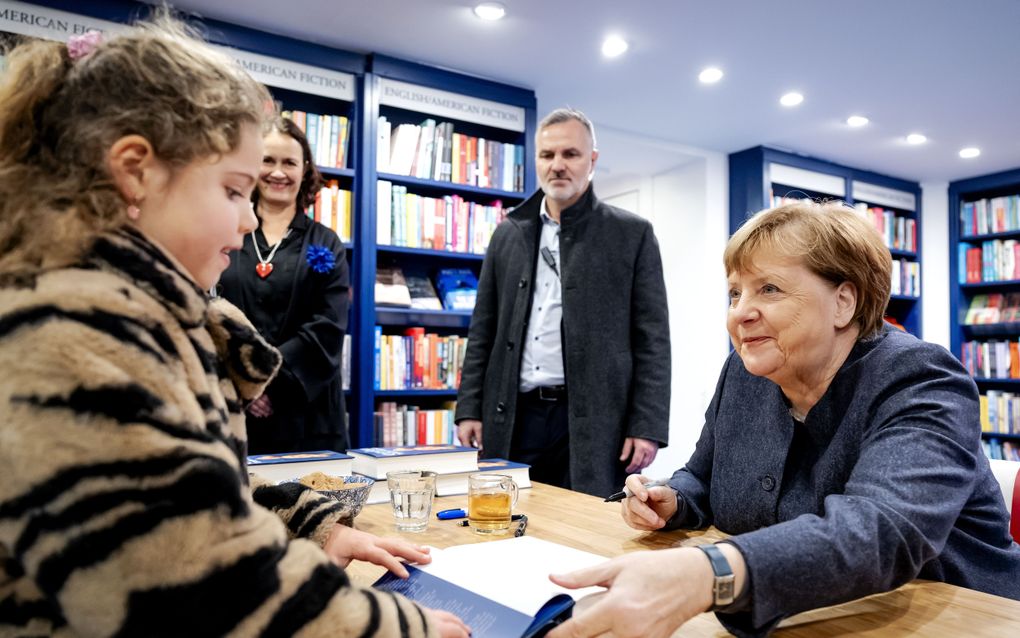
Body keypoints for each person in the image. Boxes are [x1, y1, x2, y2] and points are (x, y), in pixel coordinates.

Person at [0, 18, 468, 638]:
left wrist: (311, 524)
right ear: (135, 172)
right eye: (232, 190)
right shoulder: (68, 338)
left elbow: (191, 489)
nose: (248, 220)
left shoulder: (125, 314)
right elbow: (199, 589)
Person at [546, 201, 1020, 638]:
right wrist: (671, 500)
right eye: (734, 293)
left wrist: (709, 573)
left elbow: (880, 531)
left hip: (957, 619)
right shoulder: (745, 372)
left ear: (844, 302)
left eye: (768, 289)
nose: (740, 314)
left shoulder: (921, 379)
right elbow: (701, 477)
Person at [455, 108, 671, 497]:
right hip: (514, 414)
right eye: (547, 155)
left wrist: (647, 425)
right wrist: (469, 407)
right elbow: (483, 328)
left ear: (592, 160)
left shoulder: (632, 234)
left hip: (591, 420)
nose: (557, 165)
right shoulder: (507, 233)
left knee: (583, 529)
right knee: (508, 518)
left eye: (570, 154)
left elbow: (652, 338)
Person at [219, 116, 349, 455]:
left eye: (289, 162)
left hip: (308, 413)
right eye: (268, 160)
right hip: (236, 409)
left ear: (304, 169)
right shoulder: (227, 232)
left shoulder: (326, 242)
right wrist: (246, 384)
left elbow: (328, 327)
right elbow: (209, 311)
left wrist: (266, 383)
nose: (278, 172)